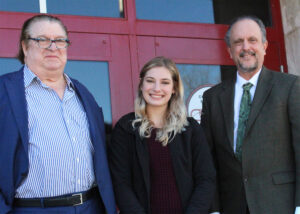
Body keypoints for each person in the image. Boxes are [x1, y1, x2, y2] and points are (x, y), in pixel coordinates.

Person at [0, 14, 117, 214]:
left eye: (60, 40)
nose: (53, 47)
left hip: (90, 206)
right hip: (32, 209)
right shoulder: (4, 90)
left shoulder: (83, 94)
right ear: (25, 47)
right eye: (42, 40)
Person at [201, 15, 300, 214]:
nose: (246, 47)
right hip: (231, 206)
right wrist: (213, 209)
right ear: (230, 51)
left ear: (264, 46)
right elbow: (208, 160)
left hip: (280, 205)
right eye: (238, 42)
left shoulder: (290, 87)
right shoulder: (212, 98)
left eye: (252, 40)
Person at [108, 56, 216, 214]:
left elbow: (206, 179)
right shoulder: (126, 128)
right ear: (141, 85)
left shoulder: (191, 129)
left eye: (165, 82)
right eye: (150, 80)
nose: (156, 88)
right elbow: (120, 183)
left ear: (174, 88)